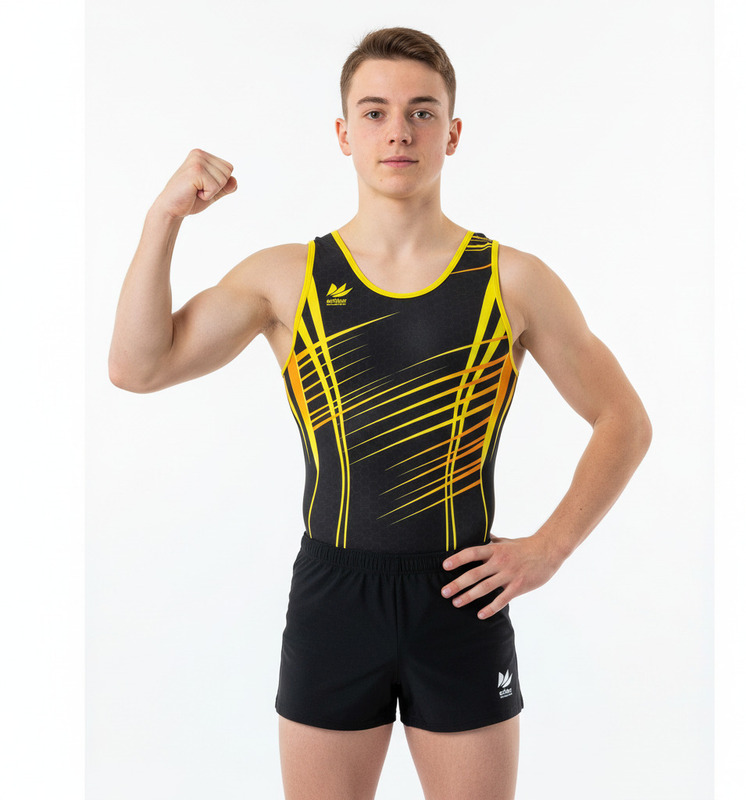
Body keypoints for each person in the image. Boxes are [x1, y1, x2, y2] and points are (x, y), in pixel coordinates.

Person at [109, 26, 652, 800]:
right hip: (335, 599)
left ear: (452, 133)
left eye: (422, 112)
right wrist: (163, 218)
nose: (399, 130)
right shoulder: (286, 277)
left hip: (461, 596)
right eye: (375, 112)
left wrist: (549, 548)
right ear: (344, 133)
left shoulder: (513, 280)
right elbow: (137, 367)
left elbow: (623, 419)